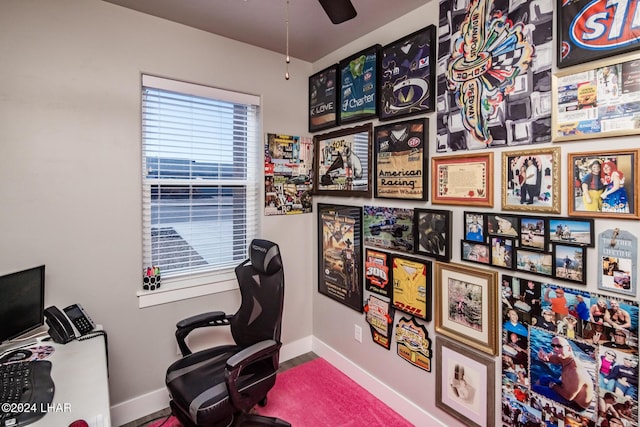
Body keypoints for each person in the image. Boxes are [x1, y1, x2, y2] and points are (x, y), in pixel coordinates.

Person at [533, 336, 594, 411]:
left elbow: (569, 396)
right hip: (566, 388)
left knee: (535, 388)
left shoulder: (576, 371)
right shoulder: (565, 358)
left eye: (559, 346)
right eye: (553, 346)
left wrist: (554, 386)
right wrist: (543, 357)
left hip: (575, 404)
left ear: (569, 348)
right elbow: (551, 359)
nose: (555, 349)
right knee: (543, 378)